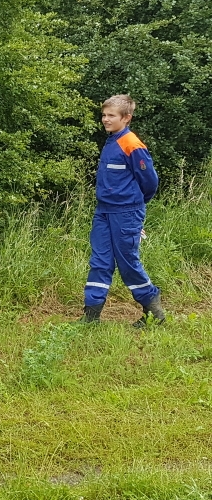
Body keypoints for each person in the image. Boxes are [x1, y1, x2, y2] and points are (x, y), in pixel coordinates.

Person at [81, 94, 163, 328]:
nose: (105, 119)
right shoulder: (111, 140)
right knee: (100, 262)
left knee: (128, 263)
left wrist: (134, 206)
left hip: (126, 213)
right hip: (104, 212)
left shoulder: (131, 143)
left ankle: (153, 312)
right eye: (103, 115)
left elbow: (150, 182)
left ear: (126, 118)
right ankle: (91, 316)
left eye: (111, 116)